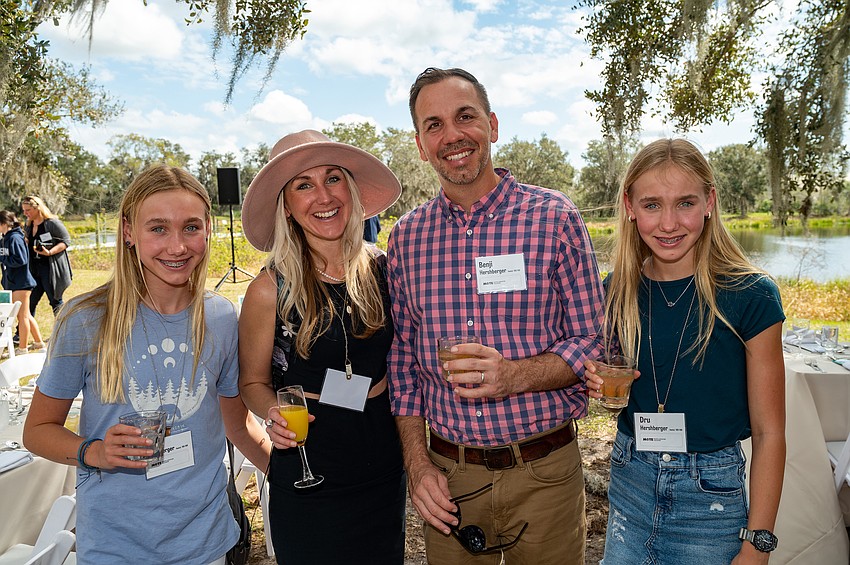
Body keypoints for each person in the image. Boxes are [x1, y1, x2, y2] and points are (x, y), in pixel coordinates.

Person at [387, 67, 605, 564]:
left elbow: (593, 339)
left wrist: (514, 376)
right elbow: (402, 360)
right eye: (434, 125)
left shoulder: (554, 218)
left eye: (465, 117)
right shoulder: (406, 238)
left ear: (493, 124)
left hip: (544, 471)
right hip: (449, 477)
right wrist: (418, 465)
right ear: (420, 144)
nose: (452, 136)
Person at [23, 165, 271, 565]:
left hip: (206, 541)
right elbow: (36, 431)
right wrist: (95, 452)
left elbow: (236, 422)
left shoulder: (221, 317)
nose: (177, 247)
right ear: (128, 231)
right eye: (158, 228)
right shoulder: (86, 319)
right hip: (116, 545)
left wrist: (290, 479)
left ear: (208, 229)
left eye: (191, 227)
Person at [585, 139, 785, 564]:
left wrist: (758, 544)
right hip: (630, 484)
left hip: (710, 500)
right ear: (629, 206)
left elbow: (770, 433)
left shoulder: (751, 296)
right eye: (652, 204)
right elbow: (609, 384)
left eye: (686, 203)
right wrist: (600, 386)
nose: (669, 223)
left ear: (710, 201)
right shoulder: (615, 292)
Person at [238, 129, 407, 564]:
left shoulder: (385, 271)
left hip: (382, 462)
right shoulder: (270, 289)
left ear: (350, 190)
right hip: (311, 467)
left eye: (333, 178)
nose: (322, 195)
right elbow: (252, 382)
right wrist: (272, 412)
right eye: (303, 185)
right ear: (287, 207)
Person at [0, 210, 45, 354]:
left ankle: (22, 348)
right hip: (13, 282)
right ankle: (39, 343)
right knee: (25, 314)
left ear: (4, 224)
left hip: (21, 283)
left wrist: (3, 259)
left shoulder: (15, 238)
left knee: (22, 316)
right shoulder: (6, 237)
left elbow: (21, 260)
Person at [21, 195, 73, 317]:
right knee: (30, 302)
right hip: (33, 269)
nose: (25, 213)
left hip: (49, 269)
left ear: (37, 208)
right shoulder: (28, 225)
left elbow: (65, 241)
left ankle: (62, 332)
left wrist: (49, 252)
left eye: (28, 210)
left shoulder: (52, 223)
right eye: (23, 210)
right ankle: (20, 334)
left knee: (55, 302)